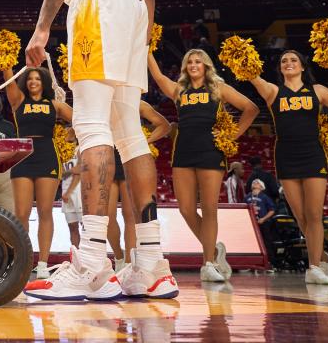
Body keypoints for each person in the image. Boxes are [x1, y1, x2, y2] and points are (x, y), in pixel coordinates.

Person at [24, 0, 175, 300]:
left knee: (90, 125)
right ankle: (150, 263)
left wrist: (43, 25)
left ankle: (92, 261)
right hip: (132, 9)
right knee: (129, 131)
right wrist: (142, 36)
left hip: (98, 3)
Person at [148, 49, 258, 282]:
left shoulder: (219, 88)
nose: (193, 65)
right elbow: (158, 76)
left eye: (198, 61)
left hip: (211, 151)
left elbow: (251, 108)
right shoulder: (180, 90)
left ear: (206, 66)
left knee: (209, 208)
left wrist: (233, 136)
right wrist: (146, 47)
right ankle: (215, 250)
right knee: (186, 209)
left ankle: (208, 262)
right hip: (184, 153)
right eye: (189, 62)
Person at [247, 49, 328, 284]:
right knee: (300, 216)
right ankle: (321, 258)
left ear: (302, 66)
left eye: (293, 60)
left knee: (314, 213)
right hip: (286, 157)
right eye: (284, 61)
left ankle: (314, 267)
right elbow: (252, 75)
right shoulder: (273, 92)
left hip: (314, 155)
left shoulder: (318, 91)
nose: (288, 63)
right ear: (280, 69)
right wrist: (241, 56)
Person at [1, 66, 73, 279]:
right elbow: (8, 79)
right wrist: (6, 64)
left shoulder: (54, 104)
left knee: (45, 211)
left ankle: (42, 263)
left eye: (38, 79)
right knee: (22, 212)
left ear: (44, 83)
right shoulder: (18, 100)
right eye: (30, 79)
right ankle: (24, 261)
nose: (33, 82)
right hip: (22, 156)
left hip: (47, 155)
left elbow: (79, 120)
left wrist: (69, 134)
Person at [108, 101, 172, 272]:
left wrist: (145, 140)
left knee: (129, 215)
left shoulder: (137, 103)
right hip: (107, 158)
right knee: (107, 216)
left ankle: (129, 263)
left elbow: (164, 126)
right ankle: (119, 257)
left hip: (130, 157)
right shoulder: (102, 99)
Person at [244, 178, 277, 265]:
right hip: (251, 225)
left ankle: (270, 262)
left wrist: (264, 219)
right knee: (251, 243)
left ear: (262, 187)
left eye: (257, 182)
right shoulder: (247, 197)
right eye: (254, 182)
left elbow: (272, 210)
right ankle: (251, 262)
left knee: (266, 242)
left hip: (263, 223)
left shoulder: (265, 197)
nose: (255, 182)